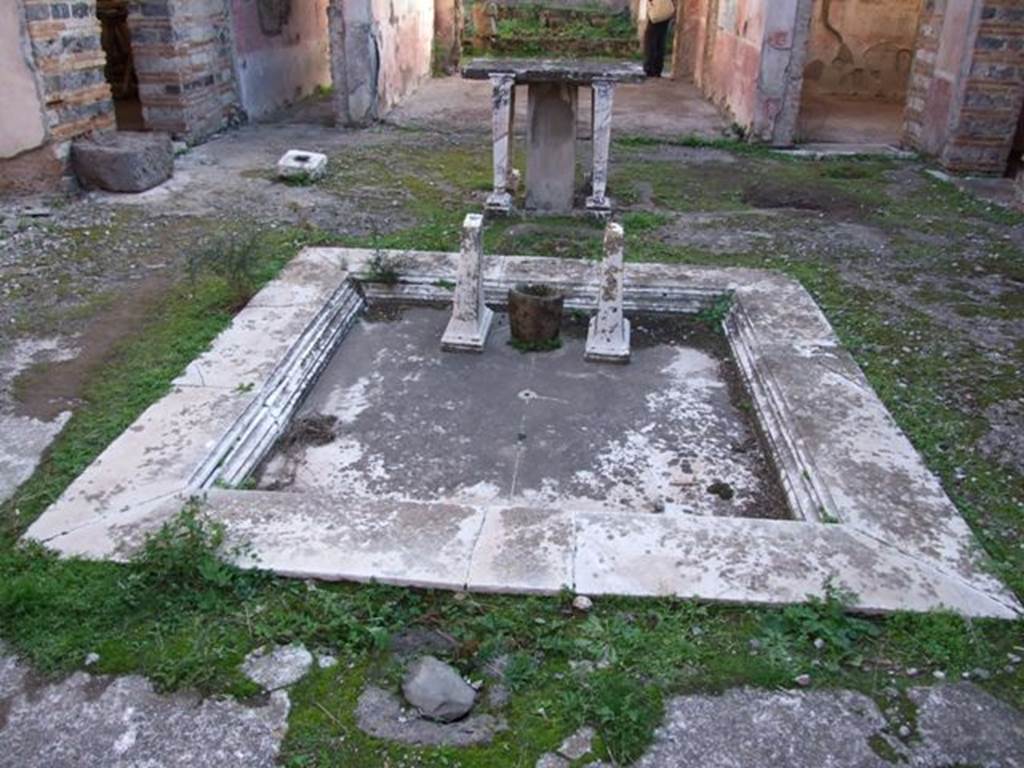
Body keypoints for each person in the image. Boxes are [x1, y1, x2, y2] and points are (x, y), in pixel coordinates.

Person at [644, 0, 676, 78]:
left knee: (651, 41)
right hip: (665, 12)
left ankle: (651, 67)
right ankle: (657, 68)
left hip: (657, 11)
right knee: (660, 40)